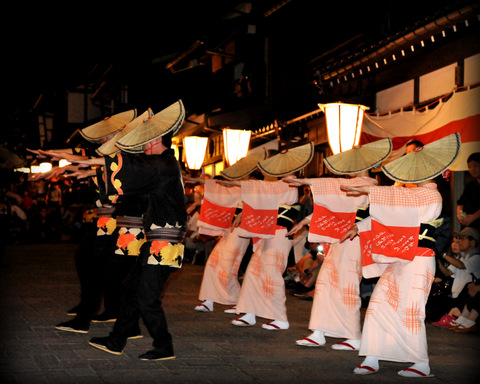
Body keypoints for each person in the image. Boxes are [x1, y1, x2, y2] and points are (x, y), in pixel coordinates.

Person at [341, 133, 461, 378]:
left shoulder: (431, 193)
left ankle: (421, 363)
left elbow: (404, 201)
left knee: (411, 309)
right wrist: (359, 227)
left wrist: (370, 190)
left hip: (419, 258)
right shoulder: (407, 193)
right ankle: (373, 356)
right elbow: (386, 215)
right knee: (378, 304)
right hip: (399, 256)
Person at [86, 100, 187, 361]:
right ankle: (116, 340)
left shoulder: (162, 166)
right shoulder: (162, 166)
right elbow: (132, 184)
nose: (142, 145)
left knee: (147, 298)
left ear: (155, 140)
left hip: (165, 245)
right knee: (132, 290)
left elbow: (130, 174)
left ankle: (164, 346)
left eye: (145, 141)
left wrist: (111, 155)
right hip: (156, 242)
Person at [285, 138, 392, 350]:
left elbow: (345, 194)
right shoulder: (350, 185)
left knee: (347, 286)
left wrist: (309, 182)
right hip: (340, 238)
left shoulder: (371, 185)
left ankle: (353, 335)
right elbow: (332, 207)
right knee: (325, 283)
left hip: (356, 239)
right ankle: (319, 331)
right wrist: (306, 221)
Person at [231, 143, 313, 330]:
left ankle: (280, 317)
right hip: (269, 230)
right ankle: (250, 312)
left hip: (279, 232)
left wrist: (240, 183)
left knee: (272, 274)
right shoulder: (280, 184)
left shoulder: (290, 183)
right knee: (254, 271)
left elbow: (263, 191)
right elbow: (262, 195)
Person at [192, 151, 265, 313]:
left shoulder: (256, 185)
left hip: (242, 230)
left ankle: (240, 300)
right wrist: (197, 180)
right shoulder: (239, 185)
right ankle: (209, 300)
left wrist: (244, 212)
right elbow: (220, 187)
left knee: (228, 265)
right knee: (213, 262)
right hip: (231, 229)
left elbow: (260, 205)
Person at [432, 227, 480, 328]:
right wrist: (437, 259)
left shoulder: (477, 258)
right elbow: (447, 272)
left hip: (468, 297)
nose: (459, 241)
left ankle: (464, 320)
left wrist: (443, 254)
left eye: (463, 238)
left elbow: (461, 265)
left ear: (472, 242)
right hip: (457, 296)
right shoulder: (460, 258)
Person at [457, 152, 480, 232]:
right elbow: (460, 203)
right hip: (468, 226)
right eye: (469, 166)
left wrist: (472, 217)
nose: (472, 169)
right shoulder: (470, 185)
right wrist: (461, 216)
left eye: (475, 166)